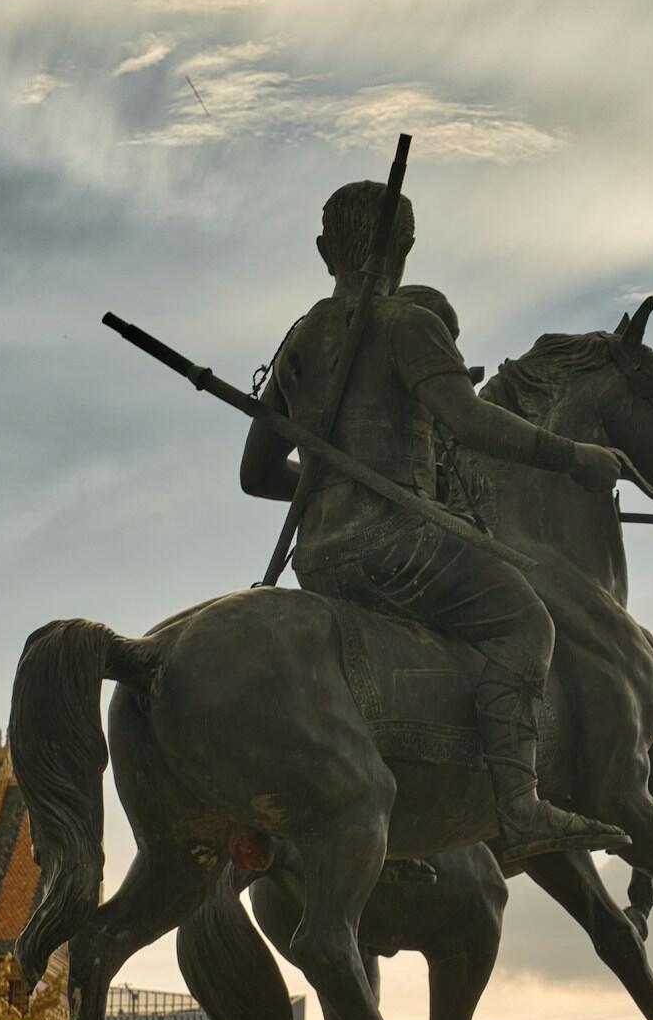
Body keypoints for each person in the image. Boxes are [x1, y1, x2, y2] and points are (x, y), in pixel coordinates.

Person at [240, 180, 630, 863]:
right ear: (406, 248)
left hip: (319, 557)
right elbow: (470, 420)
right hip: (398, 546)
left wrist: (329, 481)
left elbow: (256, 475)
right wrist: (573, 458)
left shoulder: (299, 340)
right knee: (523, 620)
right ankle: (521, 803)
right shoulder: (406, 324)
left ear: (325, 251)